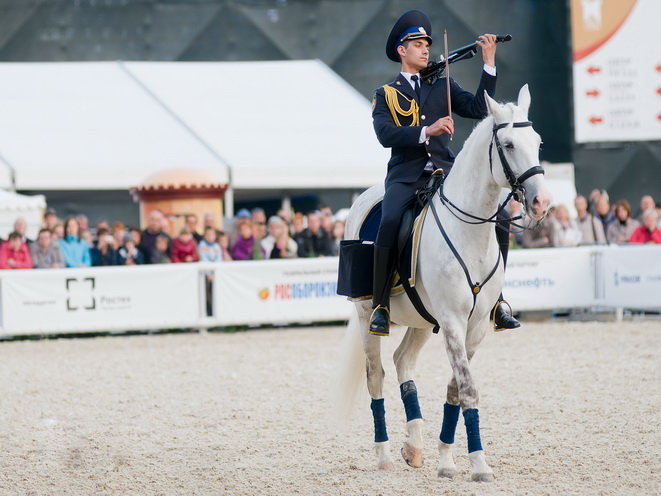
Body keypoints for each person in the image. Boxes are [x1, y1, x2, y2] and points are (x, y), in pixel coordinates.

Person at [368, 10, 510, 336]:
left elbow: (477, 108)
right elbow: (386, 135)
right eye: (417, 44)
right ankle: (380, 305)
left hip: (446, 171)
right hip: (407, 175)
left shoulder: (444, 84)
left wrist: (488, 62)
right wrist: (426, 130)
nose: (425, 49)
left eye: (426, 44)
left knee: (499, 216)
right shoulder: (386, 93)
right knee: (389, 221)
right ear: (401, 50)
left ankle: (498, 300)